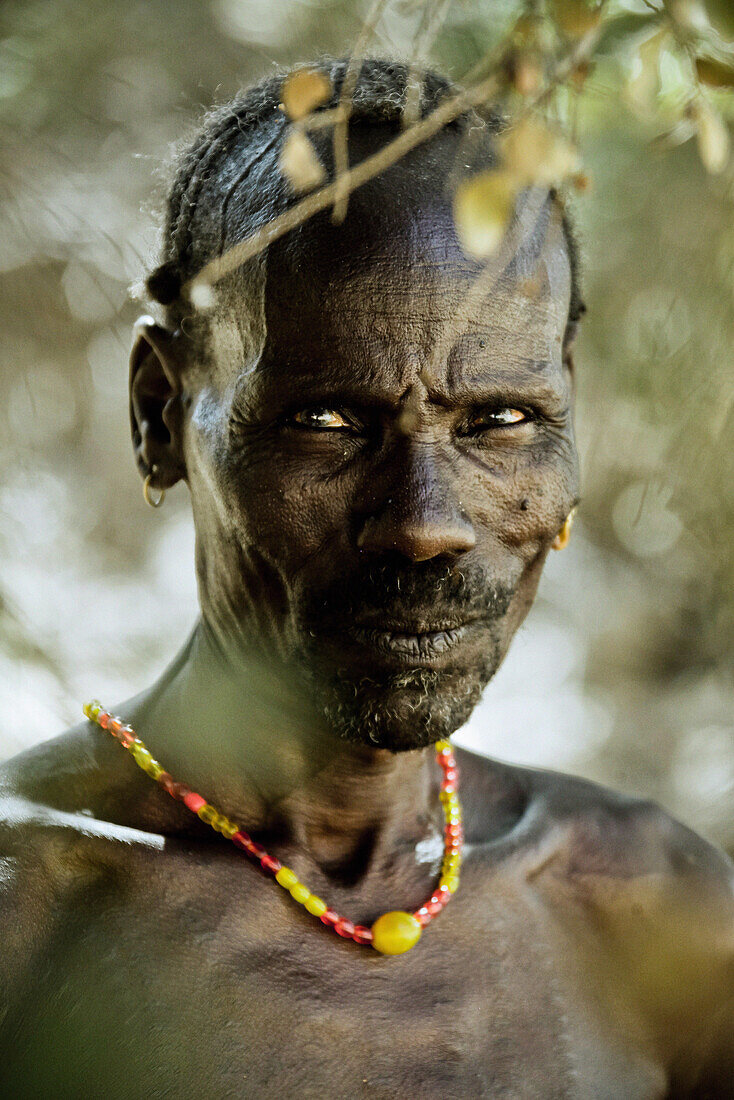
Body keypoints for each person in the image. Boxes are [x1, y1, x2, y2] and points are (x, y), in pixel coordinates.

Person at [1, 58, 732, 1098]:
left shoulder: (649, 913)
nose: (426, 524)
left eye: (499, 418)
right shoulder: (29, 929)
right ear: (159, 414)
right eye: (327, 422)